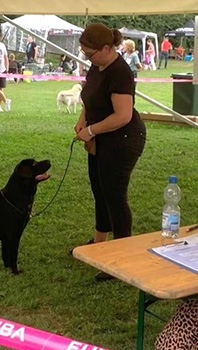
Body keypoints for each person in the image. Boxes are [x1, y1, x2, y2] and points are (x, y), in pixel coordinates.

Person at [74, 23, 146, 280]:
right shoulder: (97, 66)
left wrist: (91, 131)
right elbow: (90, 97)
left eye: (90, 54)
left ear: (106, 48)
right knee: (99, 189)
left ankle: (121, 257)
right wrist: (84, 119)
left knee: (114, 195)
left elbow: (123, 116)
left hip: (124, 139)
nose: (87, 58)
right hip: (102, 137)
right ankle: (100, 243)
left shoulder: (120, 73)